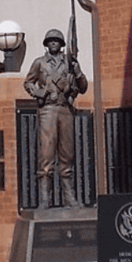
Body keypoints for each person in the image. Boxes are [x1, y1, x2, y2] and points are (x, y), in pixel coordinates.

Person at [24, 28, 88, 209]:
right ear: (46, 44)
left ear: (61, 44)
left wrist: (77, 72)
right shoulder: (40, 63)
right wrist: (39, 92)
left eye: (57, 41)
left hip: (65, 109)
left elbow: (83, 88)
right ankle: (45, 199)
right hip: (48, 110)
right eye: (50, 41)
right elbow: (28, 82)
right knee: (46, 154)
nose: (53, 43)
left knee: (67, 154)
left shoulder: (70, 63)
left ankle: (70, 198)